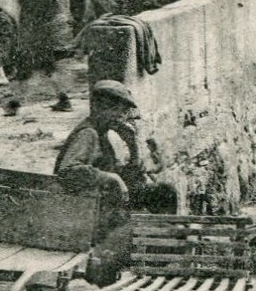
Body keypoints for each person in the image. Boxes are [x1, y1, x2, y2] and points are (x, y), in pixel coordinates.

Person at [53, 79, 173, 214]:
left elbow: (120, 170)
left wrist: (133, 146)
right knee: (163, 195)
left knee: (164, 192)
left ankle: (171, 229)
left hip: (103, 195)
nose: (121, 116)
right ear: (99, 108)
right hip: (88, 203)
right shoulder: (88, 133)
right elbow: (67, 172)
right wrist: (112, 178)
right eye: (116, 110)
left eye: (123, 112)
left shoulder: (102, 132)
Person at [11, 0, 74, 113]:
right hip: (55, 32)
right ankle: (63, 98)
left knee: (27, 69)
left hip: (37, 34)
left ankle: (16, 103)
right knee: (50, 68)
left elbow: (24, 8)